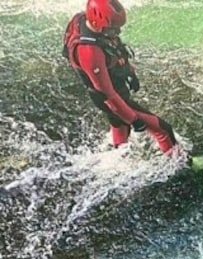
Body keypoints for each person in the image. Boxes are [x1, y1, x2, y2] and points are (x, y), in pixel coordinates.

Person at [62, 0, 182, 157]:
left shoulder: (85, 20)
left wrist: (130, 72)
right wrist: (133, 119)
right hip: (109, 96)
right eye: (113, 30)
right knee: (162, 129)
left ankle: (119, 156)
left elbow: (115, 49)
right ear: (96, 22)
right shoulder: (89, 52)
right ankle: (181, 163)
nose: (117, 33)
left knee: (119, 123)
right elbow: (108, 94)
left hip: (110, 85)